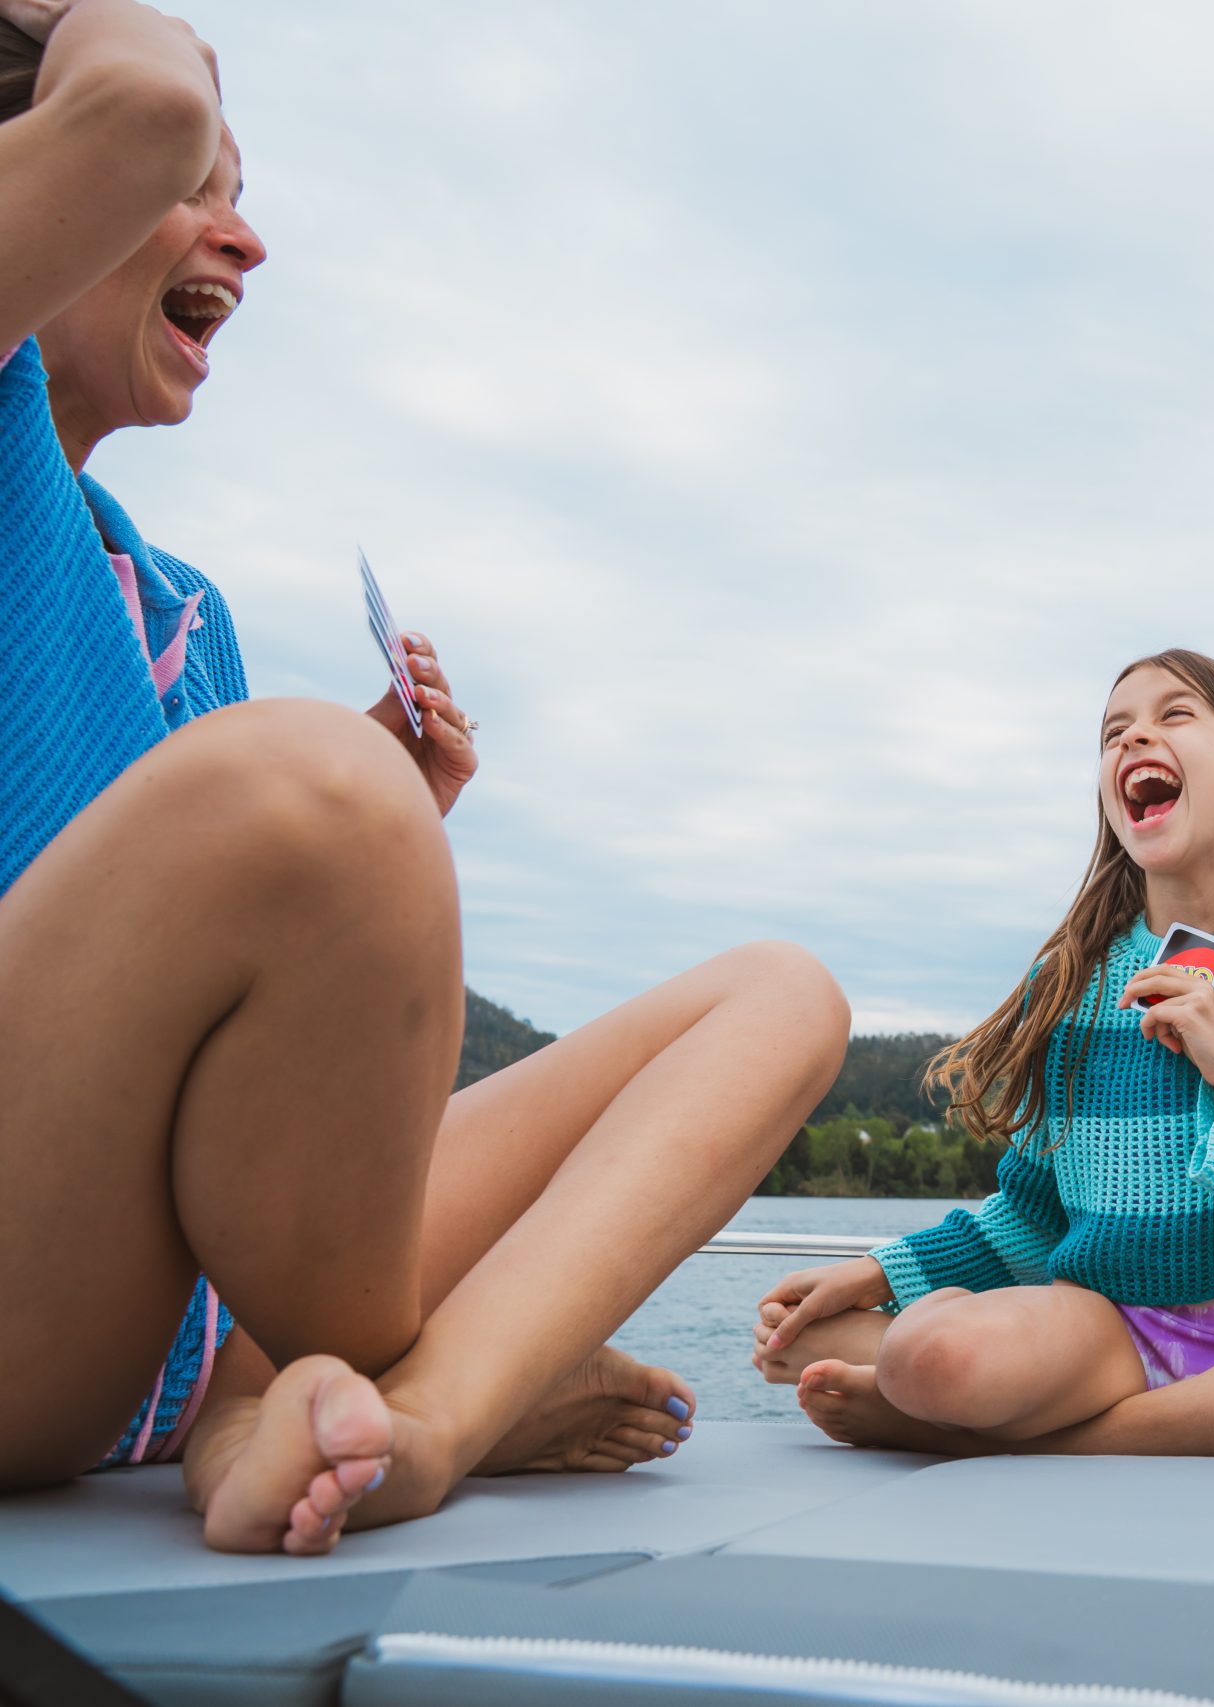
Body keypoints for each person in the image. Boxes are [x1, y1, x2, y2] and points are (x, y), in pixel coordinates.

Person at [0, 0, 852, 1556]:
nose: (246, 242)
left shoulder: (188, 615)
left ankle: (414, 1415)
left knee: (778, 995)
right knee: (315, 784)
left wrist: (372, 843)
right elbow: (137, 103)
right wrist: (90, 22)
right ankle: (439, 1373)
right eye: (199, 188)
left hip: (167, 1314)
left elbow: (178, 1012)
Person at [752, 650, 1214, 1456]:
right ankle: (1115, 1423)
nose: (1132, 738)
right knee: (836, 1340)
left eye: (1173, 714)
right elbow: (1035, 1216)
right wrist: (878, 1272)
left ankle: (1016, 1439)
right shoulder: (1070, 980)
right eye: (1114, 730)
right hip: (1098, 1337)